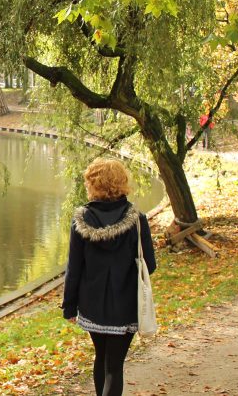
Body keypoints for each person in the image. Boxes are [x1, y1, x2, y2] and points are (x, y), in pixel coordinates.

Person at [62, 158, 156, 396]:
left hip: (92, 304)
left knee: (101, 357)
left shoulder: (80, 220)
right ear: (121, 182)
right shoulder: (137, 220)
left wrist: (69, 307)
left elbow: (74, 268)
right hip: (125, 304)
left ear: (94, 184)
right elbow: (150, 265)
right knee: (114, 365)